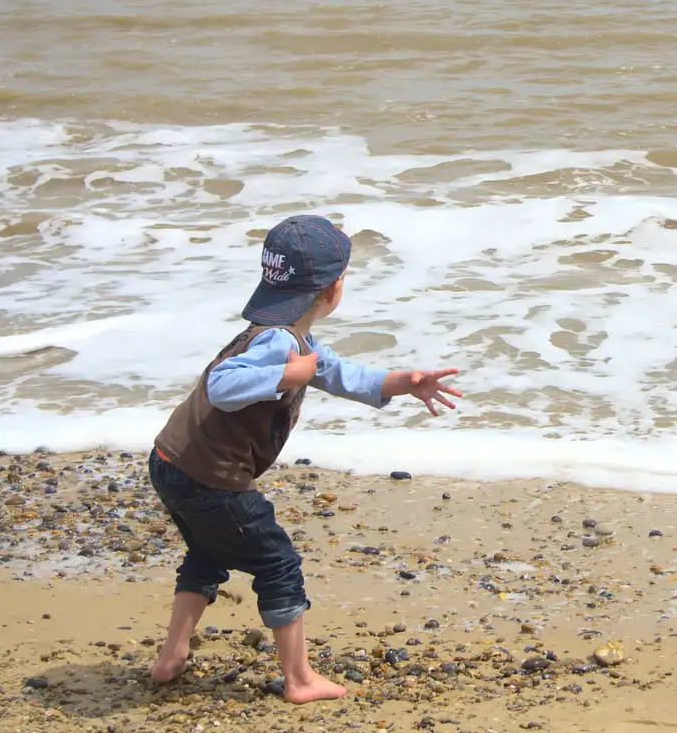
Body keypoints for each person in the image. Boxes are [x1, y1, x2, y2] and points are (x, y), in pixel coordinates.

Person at [146, 214, 462, 703]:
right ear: (335, 289)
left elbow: (344, 375)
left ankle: (172, 656)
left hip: (171, 460)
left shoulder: (286, 335)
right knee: (279, 564)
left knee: (207, 553)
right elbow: (222, 385)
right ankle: (299, 679)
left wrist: (407, 383)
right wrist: (289, 374)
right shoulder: (279, 343)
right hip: (212, 478)